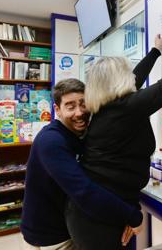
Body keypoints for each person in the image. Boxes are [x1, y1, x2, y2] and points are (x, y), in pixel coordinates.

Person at [65, 21, 162, 249]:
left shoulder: (105, 108)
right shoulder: (125, 109)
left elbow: (136, 78)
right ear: (117, 82)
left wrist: (155, 52)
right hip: (100, 219)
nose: (130, 77)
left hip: (94, 210)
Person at [21, 79, 143, 250]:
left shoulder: (80, 135)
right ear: (57, 110)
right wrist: (132, 215)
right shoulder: (51, 141)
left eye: (83, 104)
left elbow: (102, 174)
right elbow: (84, 191)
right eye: (70, 107)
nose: (79, 112)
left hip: (70, 224)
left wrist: (130, 206)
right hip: (50, 237)